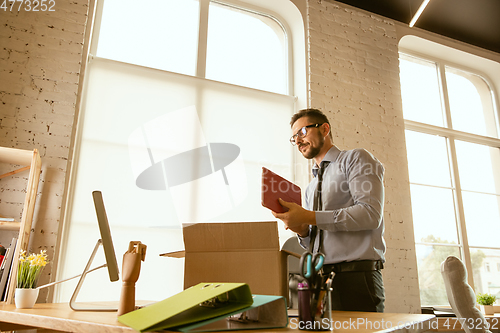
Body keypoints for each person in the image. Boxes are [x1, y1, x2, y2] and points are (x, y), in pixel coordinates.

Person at [272, 108, 386, 312]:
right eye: (294, 137)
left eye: (302, 132)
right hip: (320, 280)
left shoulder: (356, 159)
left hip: (357, 278)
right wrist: (302, 230)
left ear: (324, 129)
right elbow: (312, 242)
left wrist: (308, 215)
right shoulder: (310, 188)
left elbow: (370, 214)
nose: (298, 141)